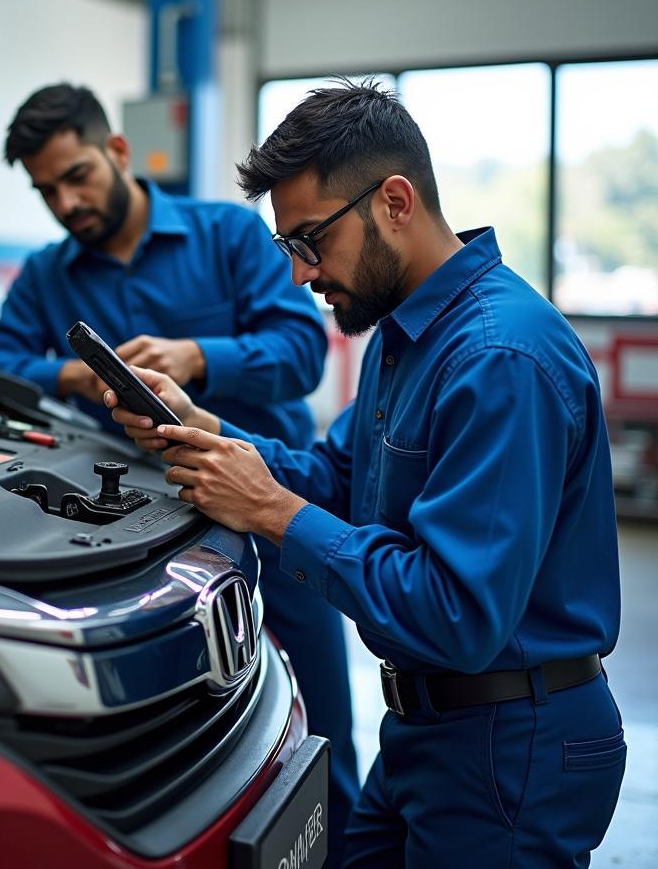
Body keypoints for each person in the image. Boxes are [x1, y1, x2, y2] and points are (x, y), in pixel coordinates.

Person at [106, 79, 625, 868]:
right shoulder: (404, 332)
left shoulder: (498, 359)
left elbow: (456, 614)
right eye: (290, 248)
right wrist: (208, 433)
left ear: (394, 201)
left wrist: (274, 514)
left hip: (510, 745)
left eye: (310, 241)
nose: (300, 276)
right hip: (426, 730)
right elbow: (340, 476)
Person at [0, 83, 361, 864]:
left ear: (118, 150)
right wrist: (74, 376)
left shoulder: (228, 235)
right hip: (147, 539)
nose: (67, 201)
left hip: (271, 512)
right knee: (189, 750)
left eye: (77, 174)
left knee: (321, 738)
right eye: (48, 190)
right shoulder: (50, 276)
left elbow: (301, 352)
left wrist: (199, 358)